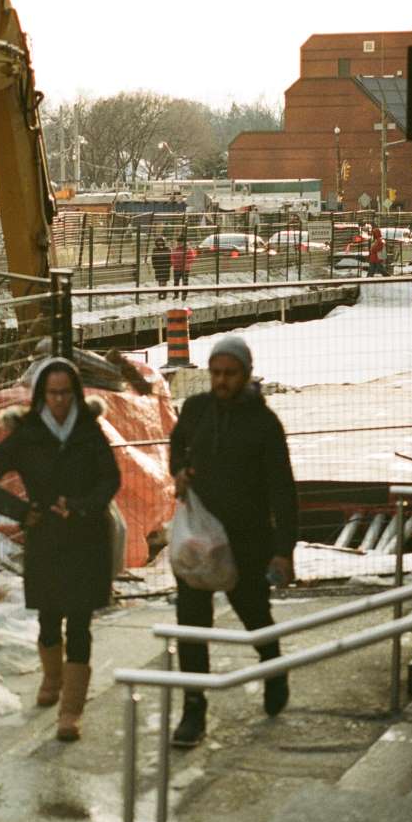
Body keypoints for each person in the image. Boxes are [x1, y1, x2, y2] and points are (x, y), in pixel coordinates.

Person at [0, 357, 122, 742]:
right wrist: (21, 511)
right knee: (47, 619)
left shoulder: (89, 430)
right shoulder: (27, 433)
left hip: (86, 537)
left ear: (76, 394)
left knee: (80, 623)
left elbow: (111, 478)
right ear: (41, 394)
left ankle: (71, 711)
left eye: (66, 393)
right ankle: (52, 679)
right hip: (45, 538)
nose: (59, 401)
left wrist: (82, 504)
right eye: (52, 393)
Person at [166, 335, 297, 748]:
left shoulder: (264, 423)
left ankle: (273, 672)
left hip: (246, 539)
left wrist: (283, 549)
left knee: (254, 615)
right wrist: (181, 471)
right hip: (199, 538)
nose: (221, 381)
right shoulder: (196, 409)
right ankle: (193, 709)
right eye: (216, 373)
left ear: (245, 374)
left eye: (230, 374)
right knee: (191, 626)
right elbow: (177, 445)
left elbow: (283, 490)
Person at [150, 234, 172, 298]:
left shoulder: (167, 249)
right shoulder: (155, 249)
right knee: (160, 281)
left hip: (166, 267)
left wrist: (169, 265)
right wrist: (154, 266)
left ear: (163, 242)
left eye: (161, 241)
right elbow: (153, 258)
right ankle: (160, 293)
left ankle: (164, 293)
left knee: (164, 281)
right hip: (158, 267)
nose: (159, 242)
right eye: (158, 241)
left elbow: (170, 257)